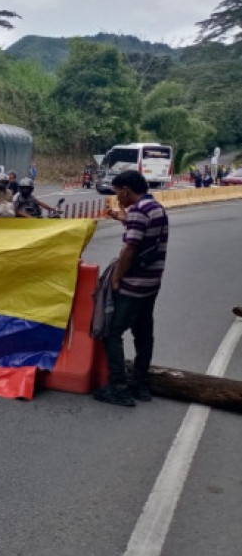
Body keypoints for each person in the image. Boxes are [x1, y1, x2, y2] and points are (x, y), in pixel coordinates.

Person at [93, 170, 168, 406]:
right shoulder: (155, 208)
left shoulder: (137, 211)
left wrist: (116, 279)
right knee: (143, 333)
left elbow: (130, 249)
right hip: (152, 283)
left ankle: (119, 387)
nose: (118, 198)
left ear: (126, 189)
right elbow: (144, 232)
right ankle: (140, 384)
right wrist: (121, 218)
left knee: (112, 333)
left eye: (117, 193)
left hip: (133, 284)